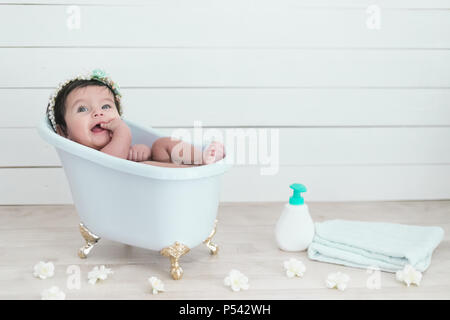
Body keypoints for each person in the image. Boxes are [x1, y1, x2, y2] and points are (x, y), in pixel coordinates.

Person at [46, 69, 224, 168]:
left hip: (159, 179)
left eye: (106, 106)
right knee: (147, 165)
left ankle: (202, 158)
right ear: (64, 131)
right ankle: (192, 170)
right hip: (160, 183)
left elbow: (124, 153)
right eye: (83, 108)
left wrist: (141, 151)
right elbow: (113, 161)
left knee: (162, 144)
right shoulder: (88, 158)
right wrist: (123, 131)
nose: (98, 113)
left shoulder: (117, 140)